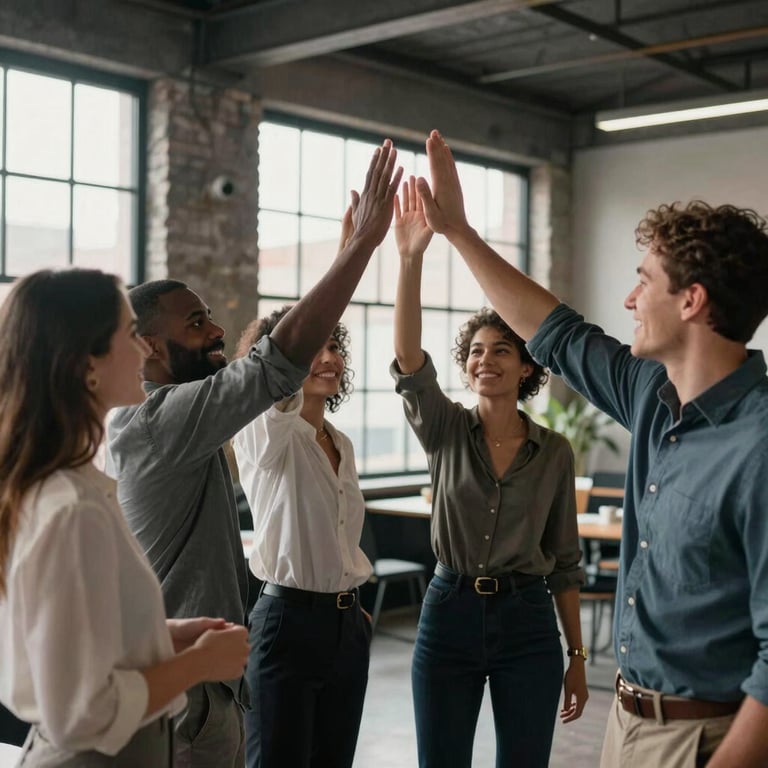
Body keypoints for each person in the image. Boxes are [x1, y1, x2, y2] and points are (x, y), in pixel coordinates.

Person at [414, 129, 768, 768]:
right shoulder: (649, 393)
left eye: (644, 282)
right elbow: (554, 330)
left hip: (707, 738)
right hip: (627, 721)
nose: (629, 299)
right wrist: (459, 233)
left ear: (692, 301)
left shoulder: (760, 443)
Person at [107, 139, 402, 768]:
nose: (216, 331)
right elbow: (273, 366)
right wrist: (360, 249)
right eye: (196, 324)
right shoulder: (156, 422)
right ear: (148, 347)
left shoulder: (173, 422)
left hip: (211, 679)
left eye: (210, 316)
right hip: (183, 694)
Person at [0, 269, 249, 768]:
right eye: (127, 335)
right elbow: (80, 711)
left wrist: (161, 633)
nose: (143, 351)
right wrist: (199, 663)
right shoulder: (71, 510)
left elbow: (72, 645)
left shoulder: (69, 487)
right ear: (87, 364)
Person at [391, 175, 588, 768]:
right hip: (448, 612)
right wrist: (409, 259)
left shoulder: (553, 451)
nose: (486, 360)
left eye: (502, 349)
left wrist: (577, 659)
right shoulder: (445, 428)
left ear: (528, 368)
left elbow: (565, 561)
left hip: (528, 622)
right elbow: (408, 361)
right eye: (476, 350)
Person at [233, 300, 371, 768]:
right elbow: (275, 405)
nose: (329, 357)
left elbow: (341, 540)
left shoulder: (342, 443)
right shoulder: (263, 433)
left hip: (347, 626)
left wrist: (355, 615)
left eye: (334, 346)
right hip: (286, 623)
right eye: (313, 347)